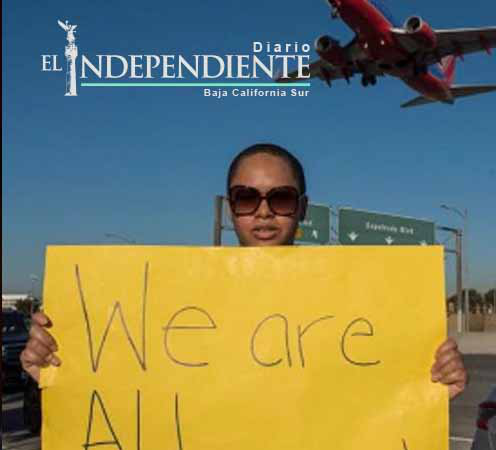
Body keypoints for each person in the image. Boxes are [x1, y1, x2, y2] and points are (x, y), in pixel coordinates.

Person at [20, 143, 467, 400]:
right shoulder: (171, 300)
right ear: (231, 207)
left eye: (283, 198)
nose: (265, 213)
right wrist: (60, 367)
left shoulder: (361, 302)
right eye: (247, 198)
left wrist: (432, 385)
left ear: (303, 209)